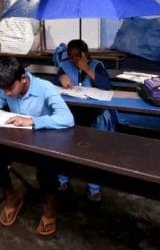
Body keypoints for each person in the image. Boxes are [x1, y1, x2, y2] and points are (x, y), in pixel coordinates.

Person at [0, 57, 74, 236]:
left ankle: (50, 206)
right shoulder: (7, 87)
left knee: (46, 169)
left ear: (23, 79)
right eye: (4, 89)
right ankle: (12, 197)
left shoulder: (45, 88)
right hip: (18, 140)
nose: (7, 93)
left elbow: (67, 119)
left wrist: (33, 120)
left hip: (43, 140)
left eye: (10, 89)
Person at [55, 39, 118, 201]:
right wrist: (62, 77)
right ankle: (63, 180)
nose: (74, 59)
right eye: (70, 56)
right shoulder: (66, 65)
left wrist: (87, 69)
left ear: (86, 54)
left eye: (77, 55)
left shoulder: (97, 65)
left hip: (95, 114)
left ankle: (94, 187)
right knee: (64, 146)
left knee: (95, 151)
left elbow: (106, 86)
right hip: (73, 113)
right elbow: (58, 78)